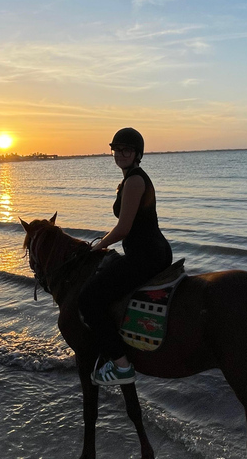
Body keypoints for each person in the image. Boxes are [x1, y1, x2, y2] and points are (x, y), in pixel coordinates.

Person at [79, 127, 173, 386]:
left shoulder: (134, 181)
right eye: (116, 149)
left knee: (88, 300)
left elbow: (123, 228)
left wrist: (98, 246)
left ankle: (121, 367)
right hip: (150, 251)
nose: (120, 154)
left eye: (126, 150)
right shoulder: (130, 177)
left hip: (146, 256)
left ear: (137, 154)